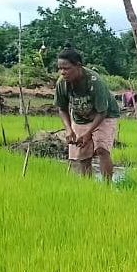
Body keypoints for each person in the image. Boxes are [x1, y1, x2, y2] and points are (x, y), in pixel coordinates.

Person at [54, 45, 121, 183]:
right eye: (60, 68)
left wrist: (88, 133)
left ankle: (107, 187)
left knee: (102, 149)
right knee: (83, 154)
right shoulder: (62, 83)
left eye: (66, 68)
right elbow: (62, 108)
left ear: (78, 66)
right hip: (80, 117)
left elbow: (102, 112)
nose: (62, 72)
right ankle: (87, 186)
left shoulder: (94, 81)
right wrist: (68, 129)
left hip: (104, 115)